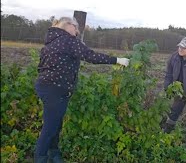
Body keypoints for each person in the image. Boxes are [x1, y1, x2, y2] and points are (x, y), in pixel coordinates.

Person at [34, 17, 130, 163]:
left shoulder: (51, 40)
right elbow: (90, 55)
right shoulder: (68, 40)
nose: (77, 31)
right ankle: (40, 158)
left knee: (55, 123)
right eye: (76, 27)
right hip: (55, 89)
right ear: (67, 25)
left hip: (47, 87)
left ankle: (54, 153)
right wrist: (117, 60)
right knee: (50, 128)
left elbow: (41, 66)